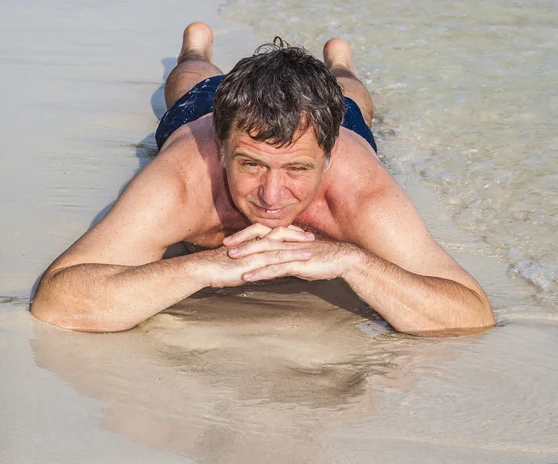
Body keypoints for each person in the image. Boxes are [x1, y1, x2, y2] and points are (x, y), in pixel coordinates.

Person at [30, 22, 495, 335]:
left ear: (328, 158)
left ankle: (341, 63)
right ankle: (197, 47)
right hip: (209, 108)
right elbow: (57, 302)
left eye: (296, 169)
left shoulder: (360, 190)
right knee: (191, 85)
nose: (272, 197)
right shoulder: (183, 179)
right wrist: (202, 266)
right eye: (251, 164)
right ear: (222, 148)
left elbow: (470, 314)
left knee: (353, 102)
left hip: (339, 122)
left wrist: (355, 261)